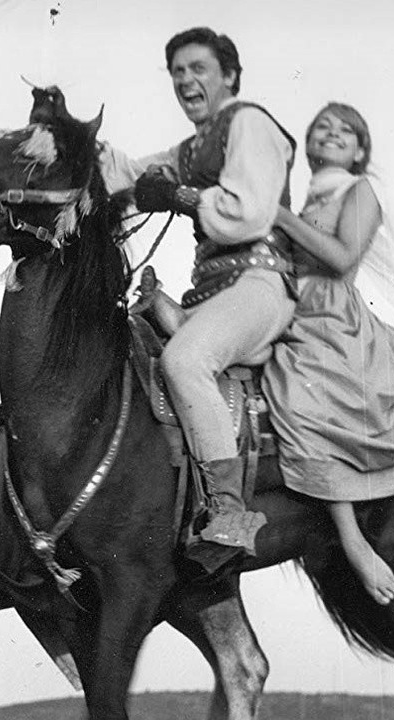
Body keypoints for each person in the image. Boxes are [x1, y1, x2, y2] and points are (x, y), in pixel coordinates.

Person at [101, 27, 298, 554]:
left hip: (259, 282)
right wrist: (67, 136)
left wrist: (180, 196)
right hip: (213, 294)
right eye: (177, 72)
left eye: (198, 68)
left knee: (185, 360)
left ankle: (228, 509)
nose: (185, 80)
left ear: (229, 75)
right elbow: (126, 173)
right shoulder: (189, 149)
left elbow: (248, 211)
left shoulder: (249, 122)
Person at [259, 103, 394, 605]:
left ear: (360, 150)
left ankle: (354, 541)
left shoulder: (360, 190)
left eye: (345, 130)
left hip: (329, 317)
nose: (331, 132)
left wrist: (279, 217)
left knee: (302, 399)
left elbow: (343, 259)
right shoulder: (305, 197)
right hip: (289, 308)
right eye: (322, 127)